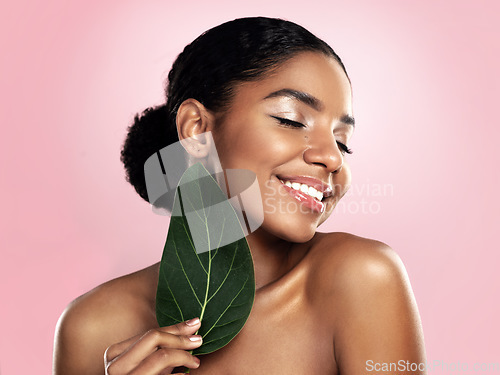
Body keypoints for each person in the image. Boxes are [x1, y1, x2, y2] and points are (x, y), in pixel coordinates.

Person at [53, 17, 426, 374]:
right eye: (291, 120)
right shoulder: (92, 328)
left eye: (343, 143)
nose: (330, 157)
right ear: (197, 129)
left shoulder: (360, 278)